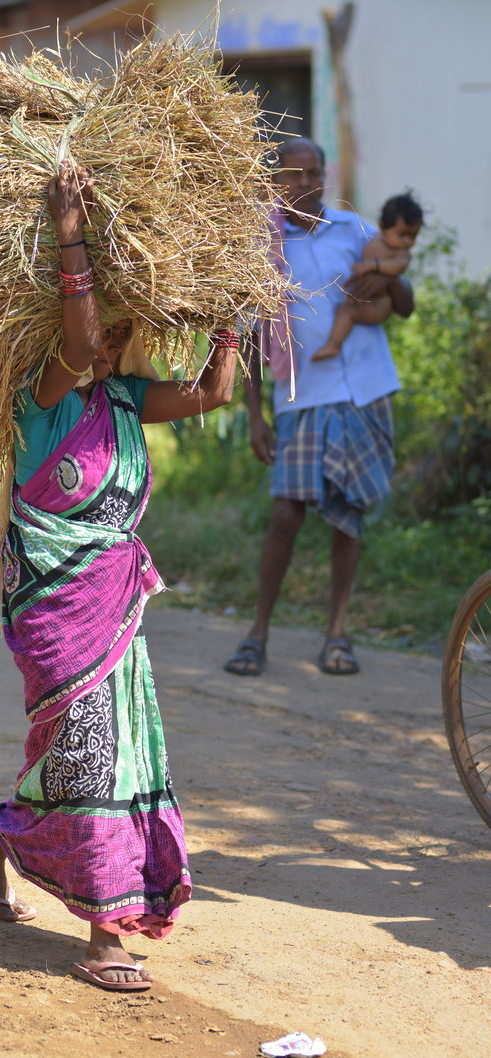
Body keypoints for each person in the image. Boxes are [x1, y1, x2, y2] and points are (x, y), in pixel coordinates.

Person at [0, 162, 238, 990]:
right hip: (51, 604)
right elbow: (76, 344)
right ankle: (105, 931)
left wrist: (229, 308)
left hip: (113, 601)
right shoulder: (43, 394)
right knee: (88, 751)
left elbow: (216, 392)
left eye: (119, 326)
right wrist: (69, 230)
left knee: (105, 752)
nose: (107, 337)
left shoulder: (127, 399)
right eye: (100, 324)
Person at [224, 138, 415, 678]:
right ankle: (257, 633)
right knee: (286, 513)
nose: (304, 185)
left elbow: (405, 304)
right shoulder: (261, 248)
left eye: (313, 175)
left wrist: (390, 280)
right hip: (300, 397)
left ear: (324, 178)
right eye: (293, 175)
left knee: (348, 514)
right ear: (275, 181)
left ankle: (337, 632)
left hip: (363, 389)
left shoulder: (353, 232)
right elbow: (255, 336)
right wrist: (255, 414)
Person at [311, 192, 423, 361]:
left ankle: (333, 345)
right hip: (366, 298)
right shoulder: (372, 236)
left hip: (381, 302)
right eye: (402, 235)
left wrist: (374, 266)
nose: (407, 242)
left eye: (412, 236)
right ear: (383, 227)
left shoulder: (400, 252)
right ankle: (333, 345)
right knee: (346, 309)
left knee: (347, 312)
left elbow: (399, 266)